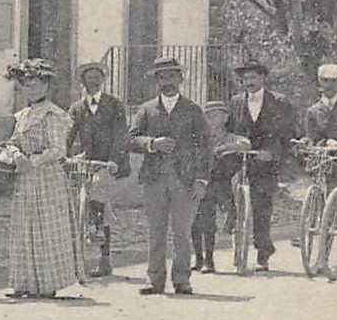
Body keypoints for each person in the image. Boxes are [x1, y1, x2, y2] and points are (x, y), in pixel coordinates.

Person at [128, 55, 211, 296]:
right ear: (156, 81)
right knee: (156, 231)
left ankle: (182, 280)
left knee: (182, 232)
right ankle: (155, 280)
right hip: (154, 179)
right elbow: (130, 139)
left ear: (181, 79)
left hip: (185, 181)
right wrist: (152, 143)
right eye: (162, 77)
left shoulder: (194, 110)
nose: (168, 82)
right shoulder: (146, 109)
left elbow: (205, 147)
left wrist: (201, 180)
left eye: (173, 76)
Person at [0, 59, 82, 298]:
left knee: (47, 228)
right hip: (25, 179)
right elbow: (12, 141)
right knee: (24, 227)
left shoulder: (53, 115)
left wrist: (31, 162)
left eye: (37, 85)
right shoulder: (23, 115)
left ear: (46, 87)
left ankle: (47, 284)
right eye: (27, 85)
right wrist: (15, 156)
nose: (32, 89)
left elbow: (58, 150)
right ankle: (24, 282)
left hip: (47, 178)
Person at [225, 60, 298, 271]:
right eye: (245, 78)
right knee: (226, 191)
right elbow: (230, 128)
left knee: (261, 207)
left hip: (266, 162)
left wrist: (271, 152)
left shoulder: (279, 101)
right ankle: (234, 233)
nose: (249, 82)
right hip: (241, 158)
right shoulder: (236, 101)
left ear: (263, 78)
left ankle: (263, 252)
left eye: (253, 77)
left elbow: (287, 133)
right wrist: (235, 142)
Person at [66, 61, 131, 276]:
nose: (93, 81)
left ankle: (104, 258)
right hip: (84, 162)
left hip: (106, 164)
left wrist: (114, 160)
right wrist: (64, 156)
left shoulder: (114, 105)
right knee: (75, 203)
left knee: (98, 200)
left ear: (103, 80)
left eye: (97, 77)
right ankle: (74, 257)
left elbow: (121, 135)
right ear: (83, 81)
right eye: (89, 77)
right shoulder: (77, 108)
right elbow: (68, 134)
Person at [191, 100, 251, 273]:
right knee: (195, 221)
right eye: (208, 116)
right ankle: (199, 259)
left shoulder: (231, 136)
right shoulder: (200, 137)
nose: (212, 119)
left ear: (225, 118)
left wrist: (225, 148)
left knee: (206, 215)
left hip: (222, 183)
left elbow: (246, 144)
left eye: (216, 115)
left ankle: (209, 260)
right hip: (202, 181)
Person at [301, 63, 337, 191]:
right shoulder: (313, 111)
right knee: (322, 193)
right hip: (325, 161)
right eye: (325, 81)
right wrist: (327, 142)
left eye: (334, 81)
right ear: (319, 82)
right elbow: (312, 137)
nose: (329, 85)